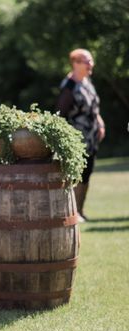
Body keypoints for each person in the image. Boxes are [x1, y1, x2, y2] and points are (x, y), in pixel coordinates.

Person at [57, 48, 105, 222]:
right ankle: (72, 213)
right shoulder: (69, 85)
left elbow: (93, 107)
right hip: (77, 139)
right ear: (75, 63)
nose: (90, 64)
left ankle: (80, 211)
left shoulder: (87, 82)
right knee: (77, 174)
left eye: (91, 60)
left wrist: (100, 122)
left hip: (91, 138)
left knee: (87, 172)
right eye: (87, 61)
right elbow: (61, 113)